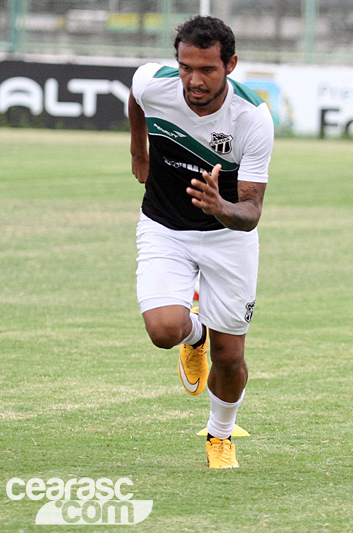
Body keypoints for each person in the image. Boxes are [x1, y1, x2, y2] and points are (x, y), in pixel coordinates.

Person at [128, 15, 274, 468]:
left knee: (229, 357)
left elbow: (250, 213)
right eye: (186, 66)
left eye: (207, 69)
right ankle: (195, 335)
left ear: (230, 64)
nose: (194, 79)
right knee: (163, 331)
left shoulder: (253, 118)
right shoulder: (153, 83)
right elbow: (135, 100)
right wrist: (139, 150)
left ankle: (220, 435)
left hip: (227, 238)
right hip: (164, 227)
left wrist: (219, 207)